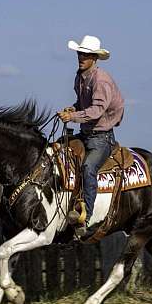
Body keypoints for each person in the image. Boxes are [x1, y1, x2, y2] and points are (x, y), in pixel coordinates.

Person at [57, 35, 125, 232]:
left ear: (94, 58)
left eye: (86, 55)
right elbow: (83, 104)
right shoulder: (80, 77)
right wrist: (73, 108)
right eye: (80, 53)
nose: (81, 57)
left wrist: (72, 117)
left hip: (101, 138)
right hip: (87, 134)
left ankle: (87, 216)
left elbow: (97, 111)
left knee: (88, 167)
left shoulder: (101, 80)